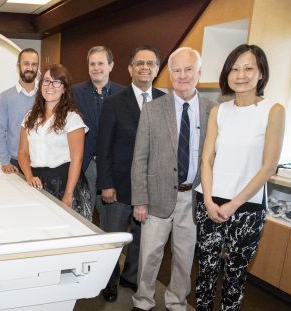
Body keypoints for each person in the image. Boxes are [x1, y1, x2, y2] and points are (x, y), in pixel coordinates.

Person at [194, 44, 284, 311]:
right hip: (209, 200)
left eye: (248, 68)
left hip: (247, 206)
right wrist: (208, 200)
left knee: (235, 275)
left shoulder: (273, 110)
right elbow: (207, 158)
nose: (240, 74)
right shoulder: (219, 110)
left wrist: (233, 205)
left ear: (261, 73)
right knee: (206, 271)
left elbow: (269, 167)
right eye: (234, 68)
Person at [130, 47, 216, 311]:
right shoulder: (153, 109)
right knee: (149, 256)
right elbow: (140, 158)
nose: (182, 75)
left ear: (198, 73)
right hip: (156, 197)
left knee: (184, 257)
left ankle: (177, 302)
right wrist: (140, 200)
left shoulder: (213, 111)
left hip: (193, 198)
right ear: (169, 75)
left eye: (188, 69)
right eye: (176, 70)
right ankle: (143, 301)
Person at [96, 45, 165, 302]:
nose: (144, 67)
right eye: (139, 63)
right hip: (119, 185)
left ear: (157, 68)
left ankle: (130, 276)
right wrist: (106, 184)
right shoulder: (114, 102)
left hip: (150, 188)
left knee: (141, 240)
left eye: (150, 63)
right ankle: (110, 280)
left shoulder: (164, 101)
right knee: (113, 239)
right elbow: (103, 147)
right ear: (129, 69)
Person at [18, 64, 92, 220]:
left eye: (56, 82)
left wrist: (68, 194)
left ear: (64, 88)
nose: (50, 86)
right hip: (37, 181)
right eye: (46, 81)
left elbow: (77, 160)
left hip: (64, 182)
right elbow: (23, 153)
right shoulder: (30, 116)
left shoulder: (72, 118)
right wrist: (29, 177)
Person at [72, 46, 124, 215]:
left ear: (111, 65)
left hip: (113, 169)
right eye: (92, 64)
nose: (96, 68)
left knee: (111, 225)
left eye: (100, 63)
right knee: (81, 218)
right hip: (85, 166)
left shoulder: (125, 94)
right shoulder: (74, 93)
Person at [0, 48, 39, 173]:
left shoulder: (45, 96)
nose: (30, 68)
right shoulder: (5, 97)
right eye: (26, 64)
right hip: (15, 162)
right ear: (18, 66)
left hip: (41, 162)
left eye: (34, 64)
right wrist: (5, 162)